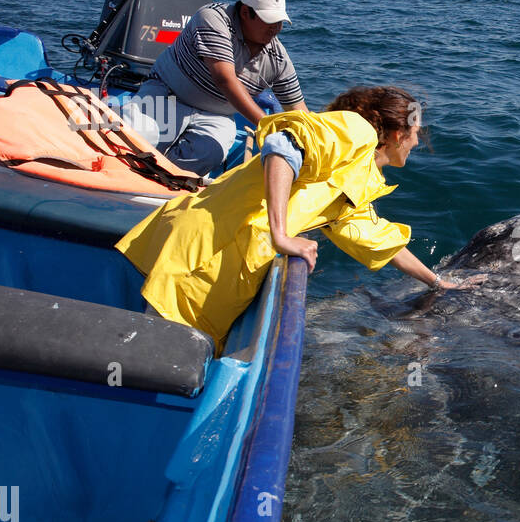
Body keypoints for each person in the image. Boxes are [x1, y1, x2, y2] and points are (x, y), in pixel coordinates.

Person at [116, 85, 483, 353]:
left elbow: (378, 240)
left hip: (220, 264)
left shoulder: (362, 179)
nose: (417, 143)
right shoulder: (356, 132)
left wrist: (439, 283)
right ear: (399, 133)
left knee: (163, 357)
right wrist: (282, 235)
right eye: (416, 134)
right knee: (151, 361)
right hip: (204, 247)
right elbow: (282, 146)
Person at [135, 0, 308, 175]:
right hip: (169, 94)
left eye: (280, 22)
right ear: (244, 12)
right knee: (140, 136)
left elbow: (299, 111)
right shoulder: (212, 17)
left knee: (211, 153)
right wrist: (267, 125)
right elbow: (224, 79)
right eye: (269, 21)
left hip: (218, 114)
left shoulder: (278, 58)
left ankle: (162, 176)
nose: (275, 28)